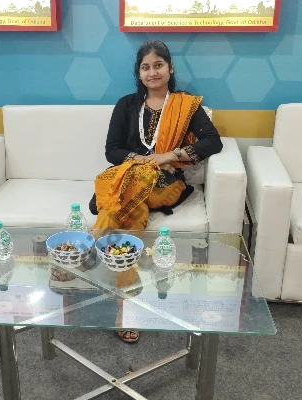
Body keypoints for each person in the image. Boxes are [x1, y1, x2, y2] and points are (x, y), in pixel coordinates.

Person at [93, 40, 223, 343]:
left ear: (170, 68)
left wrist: (168, 155)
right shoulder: (126, 104)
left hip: (166, 183)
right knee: (131, 207)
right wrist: (141, 161)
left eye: (158, 65)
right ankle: (125, 304)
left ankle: (92, 245)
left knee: (119, 201)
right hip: (131, 180)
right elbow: (112, 150)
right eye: (145, 67)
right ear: (138, 73)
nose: (152, 72)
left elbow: (213, 141)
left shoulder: (186, 105)